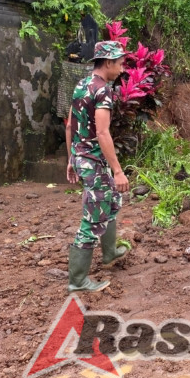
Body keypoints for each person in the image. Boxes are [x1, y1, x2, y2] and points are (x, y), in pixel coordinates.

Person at [65, 40, 131, 292]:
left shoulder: (82, 85)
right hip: (93, 161)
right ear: (108, 62)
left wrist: (72, 157)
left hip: (84, 158)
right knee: (93, 217)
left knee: (112, 200)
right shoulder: (103, 91)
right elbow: (102, 132)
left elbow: (71, 125)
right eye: (120, 64)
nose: (122, 69)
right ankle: (78, 281)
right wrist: (118, 170)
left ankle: (110, 252)